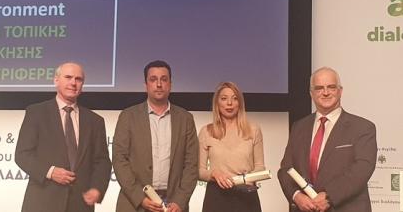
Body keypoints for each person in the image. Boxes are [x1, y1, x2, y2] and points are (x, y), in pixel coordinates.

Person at [15, 62, 111, 212]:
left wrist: (97, 188)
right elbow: (22, 155)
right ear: (56, 80)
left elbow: (102, 161)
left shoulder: (95, 121)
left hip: (80, 204)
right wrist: (50, 172)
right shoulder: (36, 112)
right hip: (42, 202)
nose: (73, 83)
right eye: (68, 77)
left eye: (78, 79)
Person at [277, 67, 377, 212]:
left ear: (340, 91)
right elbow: (286, 169)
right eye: (319, 88)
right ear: (311, 93)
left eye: (331, 87)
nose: (325, 92)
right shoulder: (299, 127)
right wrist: (296, 196)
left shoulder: (362, 128)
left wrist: (329, 197)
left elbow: (362, 169)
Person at [112, 60, 198, 212]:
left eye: (163, 79)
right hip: (134, 204)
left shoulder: (185, 118)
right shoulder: (128, 116)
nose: (159, 84)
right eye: (153, 79)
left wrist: (180, 201)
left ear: (170, 84)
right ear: (146, 85)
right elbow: (119, 160)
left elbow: (191, 164)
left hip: (173, 205)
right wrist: (140, 198)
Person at [197, 82, 264, 212]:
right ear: (217, 103)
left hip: (246, 195)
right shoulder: (206, 131)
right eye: (224, 98)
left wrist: (247, 179)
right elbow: (199, 171)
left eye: (234, 98)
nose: (229, 103)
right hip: (216, 197)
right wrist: (213, 174)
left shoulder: (253, 130)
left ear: (240, 103)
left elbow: (260, 167)